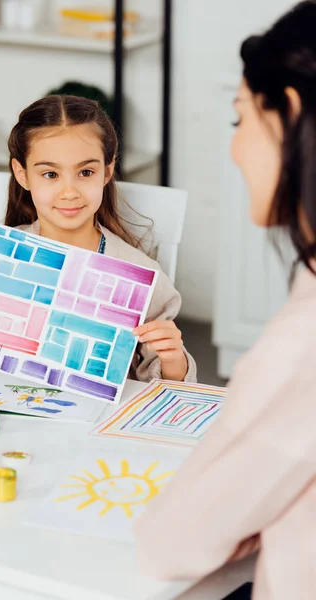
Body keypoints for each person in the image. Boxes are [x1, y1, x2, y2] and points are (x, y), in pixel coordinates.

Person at [135, 3, 316, 598]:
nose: (235, 150)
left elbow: (172, 544)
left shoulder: (302, 344)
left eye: (240, 120)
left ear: (287, 113)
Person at [0, 95, 196, 383]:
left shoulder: (143, 274)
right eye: (50, 174)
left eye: (85, 172)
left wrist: (173, 358)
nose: (69, 191)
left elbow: (166, 384)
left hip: (90, 423)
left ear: (107, 172)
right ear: (22, 175)